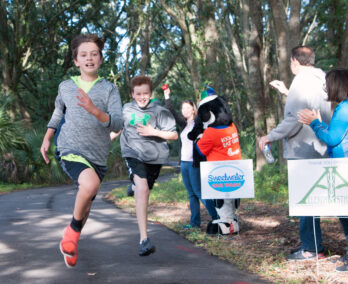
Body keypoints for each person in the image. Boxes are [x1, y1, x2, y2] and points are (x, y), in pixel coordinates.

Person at [40, 34, 123, 268]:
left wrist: (95, 110)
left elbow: (117, 123)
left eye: (94, 54)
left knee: (85, 206)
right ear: (76, 60)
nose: (89, 58)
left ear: (100, 58)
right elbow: (58, 113)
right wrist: (47, 137)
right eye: (83, 54)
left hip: (98, 155)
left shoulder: (109, 89)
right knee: (89, 186)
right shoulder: (66, 86)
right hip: (70, 148)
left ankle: (71, 243)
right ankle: (72, 233)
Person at [258, 46, 331, 260]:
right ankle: (313, 245)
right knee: (313, 199)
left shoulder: (301, 81)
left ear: (294, 61)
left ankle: (311, 249)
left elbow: (294, 120)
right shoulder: (322, 79)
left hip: (303, 149)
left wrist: (269, 136)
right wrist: (287, 92)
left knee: (305, 199)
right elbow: (310, 105)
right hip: (320, 146)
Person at [298, 68, 348, 272]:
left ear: (337, 85)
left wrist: (313, 123)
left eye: (328, 84)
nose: (326, 88)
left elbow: (332, 138)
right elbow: (335, 135)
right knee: (346, 212)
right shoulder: (345, 107)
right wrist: (319, 123)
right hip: (346, 166)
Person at [119, 75, 178, 256]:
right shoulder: (126, 109)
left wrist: (154, 132)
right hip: (133, 153)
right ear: (132, 94)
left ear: (151, 93)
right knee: (143, 189)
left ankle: (134, 185)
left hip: (155, 157)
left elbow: (174, 135)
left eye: (145, 93)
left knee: (144, 187)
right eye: (138, 94)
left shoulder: (159, 111)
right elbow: (119, 127)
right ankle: (143, 239)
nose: (142, 97)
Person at [163, 86, 218, 229]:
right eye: (183, 109)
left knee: (199, 192)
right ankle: (194, 223)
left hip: (195, 163)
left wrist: (208, 97)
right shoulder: (184, 124)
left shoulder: (199, 123)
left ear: (193, 109)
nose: (185, 111)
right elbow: (172, 112)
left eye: (188, 108)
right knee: (191, 194)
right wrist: (167, 96)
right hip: (184, 164)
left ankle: (217, 218)